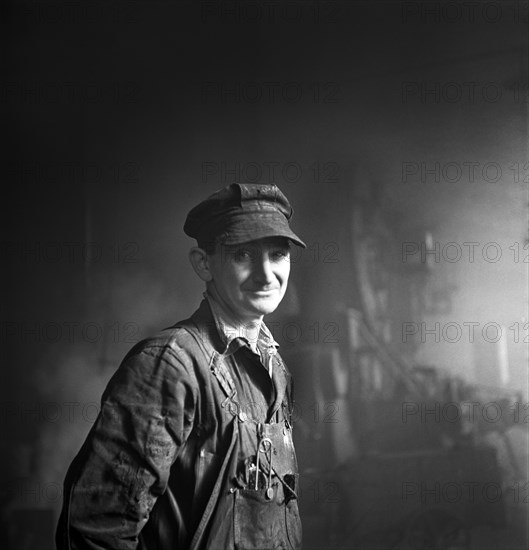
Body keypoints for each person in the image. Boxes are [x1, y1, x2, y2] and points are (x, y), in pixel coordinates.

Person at [56, 183, 306, 550]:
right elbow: (95, 529)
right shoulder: (170, 364)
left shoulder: (273, 365)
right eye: (243, 256)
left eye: (277, 254)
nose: (266, 274)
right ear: (203, 263)